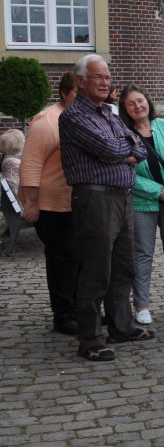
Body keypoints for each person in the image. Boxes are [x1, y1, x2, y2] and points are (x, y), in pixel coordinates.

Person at [59, 54, 153, 362]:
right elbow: (110, 147)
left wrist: (122, 152)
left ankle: (120, 326)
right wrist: (123, 152)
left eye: (108, 77)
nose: (105, 83)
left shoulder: (109, 114)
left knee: (123, 266)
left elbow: (139, 146)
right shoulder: (75, 116)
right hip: (95, 199)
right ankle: (90, 339)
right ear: (81, 81)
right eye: (98, 77)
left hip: (122, 197)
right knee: (97, 270)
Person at [118, 84, 164, 325]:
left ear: (147, 101)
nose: (137, 106)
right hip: (142, 202)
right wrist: (159, 191)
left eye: (140, 100)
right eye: (131, 103)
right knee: (143, 254)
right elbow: (127, 172)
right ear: (125, 109)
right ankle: (142, 305)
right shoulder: (123, 135)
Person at [19, 72, 80, 335]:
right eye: (76, 92)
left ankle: (80, 310)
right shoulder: (47, 121)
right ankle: (63, 315)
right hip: (52, 206)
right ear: (64, 94)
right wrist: (31, 203)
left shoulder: (84, 118)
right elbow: (30, 164)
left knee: (79, 260)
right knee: (62, 262)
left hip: (77, 204)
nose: (81, 97)